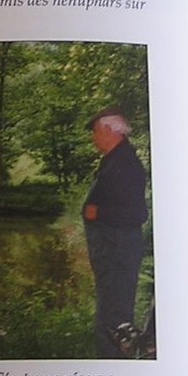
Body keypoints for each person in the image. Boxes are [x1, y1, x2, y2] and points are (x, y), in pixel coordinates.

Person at [82, 108, 150, 359]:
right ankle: (112, 362)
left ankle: (113, 368)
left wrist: (96, 212)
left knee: (113, 318)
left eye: (96, 131)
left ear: (110, 130)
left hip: (117, 251)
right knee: (111, 314)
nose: (93, 138)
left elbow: (135, 214)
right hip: (112, 251)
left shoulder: (125, 163)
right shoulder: (114, 160)